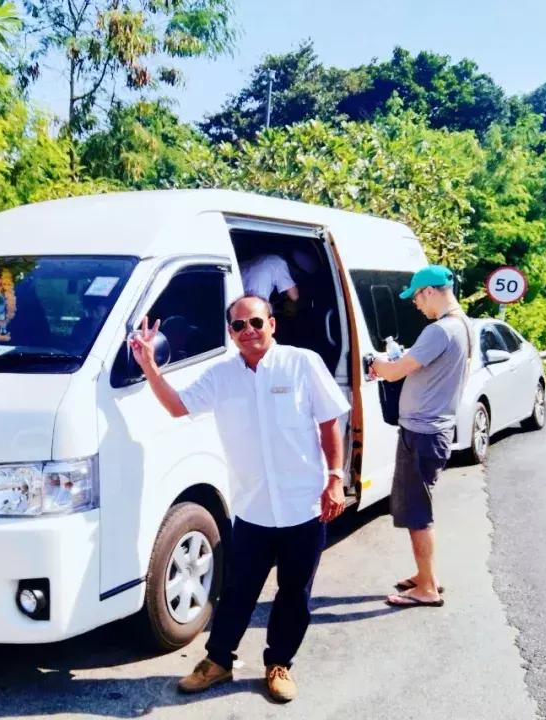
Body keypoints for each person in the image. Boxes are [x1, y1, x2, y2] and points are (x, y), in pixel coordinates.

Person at [128, 295, 351, 703]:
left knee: (294, 593)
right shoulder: (221, 376)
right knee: (237, 591)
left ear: (271, 324)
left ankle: (279, 663)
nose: (248, 331)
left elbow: (328, 422)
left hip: (303, 505)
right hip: (253, 509)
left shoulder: (301, 363)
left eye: (255, 323)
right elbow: (178, 407)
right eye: (238, 326)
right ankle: (217, 662)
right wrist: (148, 367)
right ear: (230, 333)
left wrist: (335, 478)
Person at [369, 265, 471, 609]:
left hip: (423, 432)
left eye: (415, 297)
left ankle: (426, 587)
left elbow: (396, 371)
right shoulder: (462, 326)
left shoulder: (440, 331)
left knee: (417, 515)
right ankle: (426, 574)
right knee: (419, 508)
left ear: (429, 291)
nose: (415, 304)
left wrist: (377, 364)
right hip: (435, 429)